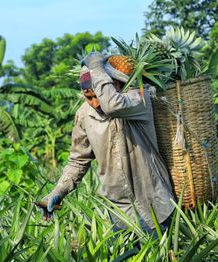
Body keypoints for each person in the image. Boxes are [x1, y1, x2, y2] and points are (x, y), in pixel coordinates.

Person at [40, 52, 175, 235]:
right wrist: (59, 190)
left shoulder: (139, 99)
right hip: (118, 211)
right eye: (88, 96)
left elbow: (112, 105)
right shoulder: (83, 114)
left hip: (153, 205)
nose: (95, 103)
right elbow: (78, 161)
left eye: (98, 94)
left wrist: (96, 67)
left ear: (116, 84)